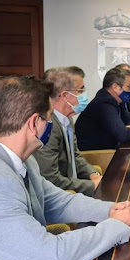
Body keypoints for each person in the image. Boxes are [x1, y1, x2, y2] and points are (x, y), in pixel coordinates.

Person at [0, 76, 130, 260]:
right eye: (49, 118)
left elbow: (55, 201)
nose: (52, 125)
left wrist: (110, 210)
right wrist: (117, 227)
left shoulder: (19, 158)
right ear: (33, 123)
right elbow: (53, 255)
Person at [33, 67, 102, 195]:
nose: (84, 94)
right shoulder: (48, 126)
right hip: (57, 198)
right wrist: (91, 185)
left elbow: (74, 155)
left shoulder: (67, 118)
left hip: (72, 191)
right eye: (80, 90)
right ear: (65, 95)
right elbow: (50, 179)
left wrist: (93, 174)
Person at [75, 67, 130, 150]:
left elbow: (127, 118)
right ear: (115, 87)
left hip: (108, 149)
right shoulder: (104, 103)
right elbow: (123, 135)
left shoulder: (115, 100)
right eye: (129, 87)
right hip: (96, 155)